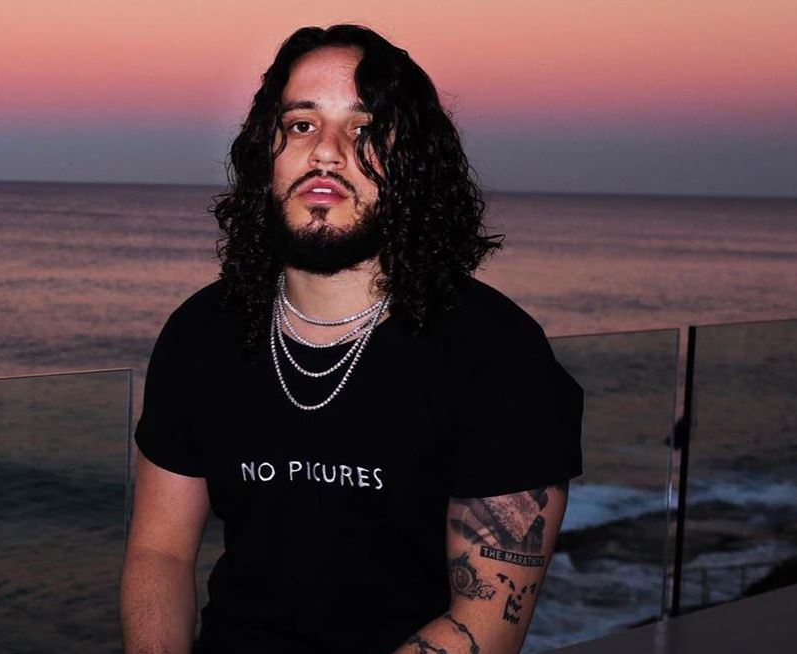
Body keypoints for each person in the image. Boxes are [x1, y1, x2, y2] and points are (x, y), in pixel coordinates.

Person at [120, 23, 584, 654]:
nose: (327, 152)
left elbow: (485, 623)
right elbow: (159, 552)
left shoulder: (495, 354)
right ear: (267, 153)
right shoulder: (202, 333)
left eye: (365, 130)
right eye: (303, 124)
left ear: (411, 166)